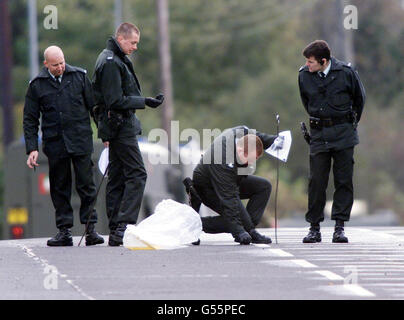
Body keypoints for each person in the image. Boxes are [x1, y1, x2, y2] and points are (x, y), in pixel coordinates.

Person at [23, 46, 104, 247]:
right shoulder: (37, 85)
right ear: (46, 65)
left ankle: (90, 229)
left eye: (62, 63)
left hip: (80, 140)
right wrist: (32, 148)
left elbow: (94, 107)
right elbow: (30, 119)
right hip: (55, 144)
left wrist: (105, 134)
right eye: (55, 65)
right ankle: (64, 230)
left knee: (86, 184)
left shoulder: (79, 76)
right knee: (59, 187)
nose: (60, 67)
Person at [92, 22, 164, 246]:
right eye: (133, 42)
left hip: (117, 126)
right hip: (120, 127)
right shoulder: (112, 62)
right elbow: (114, 100)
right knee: (137, 173)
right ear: (121, 38)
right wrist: (145, 102)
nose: (135, 47)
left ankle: (115, 229)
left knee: (119, 177)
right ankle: (123, 225)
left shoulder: (111, 57)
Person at [298, 40, 366, 243]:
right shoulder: (304, 76)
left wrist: (348, 123)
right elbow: (306, 101)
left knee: (343, 180)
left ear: (323, 61)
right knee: (317, 181)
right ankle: (314, 227)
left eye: (311, 62)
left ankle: (339, 226)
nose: (307, 65)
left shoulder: (346, 72)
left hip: (344, 133)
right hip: (319, 134)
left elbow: (359, 99)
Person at [188, 125, 283, 245]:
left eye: (254, 159)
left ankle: (249, 227)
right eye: (249, 160)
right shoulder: (222, 159)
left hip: (232, 179)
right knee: (238, 217)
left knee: (264, 186)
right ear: (240, 151)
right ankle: (193, 225)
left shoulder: (242, 133)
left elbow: (258, 137)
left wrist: (276, 140)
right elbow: (229, 199)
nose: (250, 164)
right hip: (208, 187)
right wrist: (239, 232)